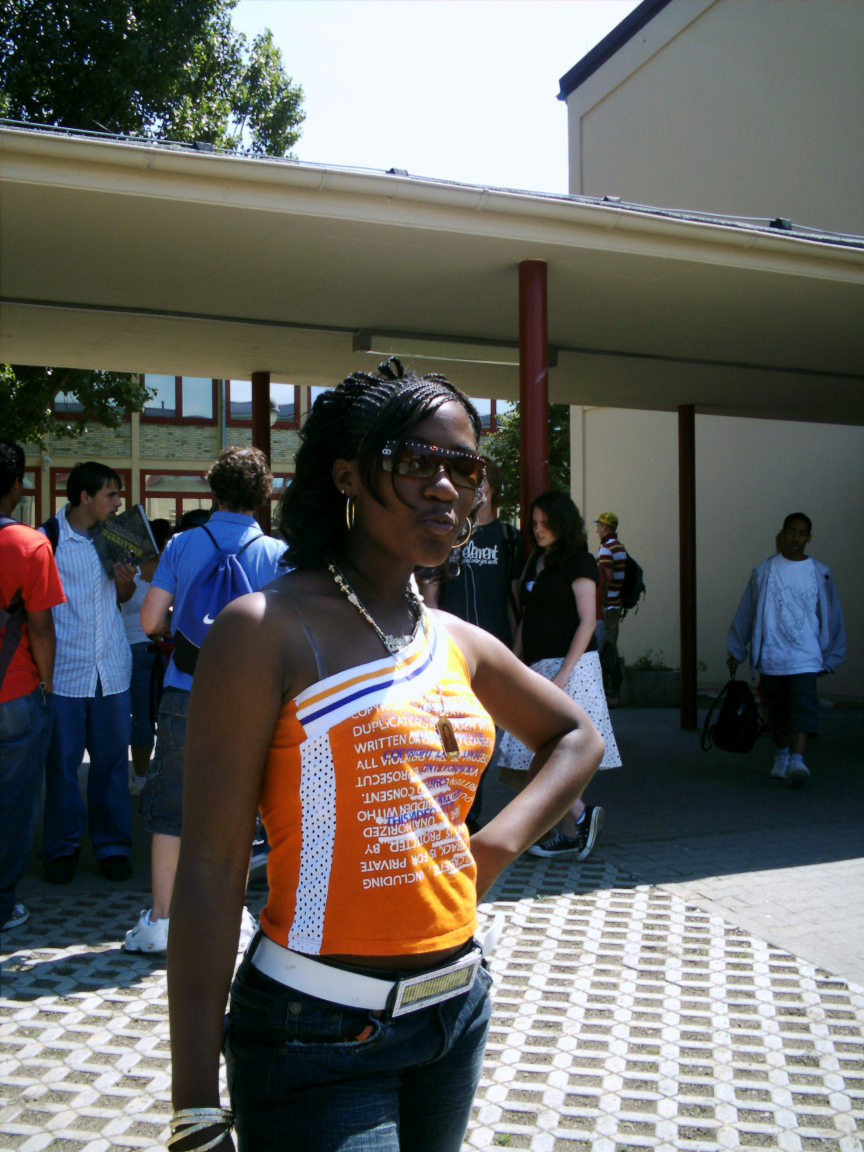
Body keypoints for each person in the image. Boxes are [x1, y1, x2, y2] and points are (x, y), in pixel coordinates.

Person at [165, 358, 604, 1152]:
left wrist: (490, 851)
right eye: (416, 462)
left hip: (454, 1014)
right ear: (348, 476)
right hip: (315, 1033)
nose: (445, 488)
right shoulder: (263, 629)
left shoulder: (457, 642)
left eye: (464, 469)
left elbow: (576, 738)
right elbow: (209, 867)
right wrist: (194, 1109)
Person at [124, 448, 287, 956]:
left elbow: (150, 621)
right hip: (251, 698)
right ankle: (227, 918)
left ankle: (162, 921)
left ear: (213, 492)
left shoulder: (182, 544)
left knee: (172, 807)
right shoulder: (278, 555)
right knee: (241, 809)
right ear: (263, 496)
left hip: (186, 689)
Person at [498, 491, 621, 861]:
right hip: (539, 668)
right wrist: (514, 662)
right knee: (531, 755)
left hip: (572, 669)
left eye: (545, 523)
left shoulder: (580, 561)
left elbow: (587, 622)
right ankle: (574, 826)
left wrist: (565, 674)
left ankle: (576, 820)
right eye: (534, 524)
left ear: (562, 523)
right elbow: (528, 618)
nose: (538, 530)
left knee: (553, 755)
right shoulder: (538, 561)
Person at [40, 461, 137, 885]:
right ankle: (61, 848)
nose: (117, 503)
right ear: (85, 497)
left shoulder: (116, 535)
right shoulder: (47, 539)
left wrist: (124, 580)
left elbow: (123, 595)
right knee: (62, 766)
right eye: (110, 495)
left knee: (112, 764)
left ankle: (113, 846)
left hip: (111, 670)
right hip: (64, 671)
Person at [421, 457, 522, 831]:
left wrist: (517, 651)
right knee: (452, 734)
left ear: (493, 489)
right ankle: (462, 812)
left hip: (495, 654)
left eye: (482, 485)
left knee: (484, 734)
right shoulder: (452, 535)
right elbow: (431, 592)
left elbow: (516, 599)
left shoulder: (509, 539)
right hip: (453, 655)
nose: (476, 492)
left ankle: (468, 809)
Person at [726, 512, 845, 786]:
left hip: (805, 656)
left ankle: (797, 760)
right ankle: (782, 754)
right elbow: (747, 612)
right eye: (791, 532)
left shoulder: (820, 574)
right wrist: (736, 649)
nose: (795, 538)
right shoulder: (764, 572)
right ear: (782, 534)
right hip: (773, 655)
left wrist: (832, 655)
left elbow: (832, 616)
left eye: (802, 534)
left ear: (809, 538)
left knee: (803, 706)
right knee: (777, 710)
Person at [0, 440, 66, 931]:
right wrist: (46, 683)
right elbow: (41, 628)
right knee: (13, 804)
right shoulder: (29, 545)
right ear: (15, 485)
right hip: (14, 691)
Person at [120, 516, 171, 796]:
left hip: (130, 648)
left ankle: (138, 776)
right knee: (160, 715)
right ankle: (157, 775)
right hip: (159, 648)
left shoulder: (130, 570)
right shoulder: (167, 570)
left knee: (137, 715)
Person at [594, 511, 627, 705]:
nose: (597, 529)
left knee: (607, 652)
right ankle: (612, 692)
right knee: (610, 649)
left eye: (599, 525)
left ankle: (611, 694)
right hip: (616, 605)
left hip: (609, 607)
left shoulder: (607, 549)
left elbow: (605, 579)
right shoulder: (619, 547)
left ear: (606, 527)